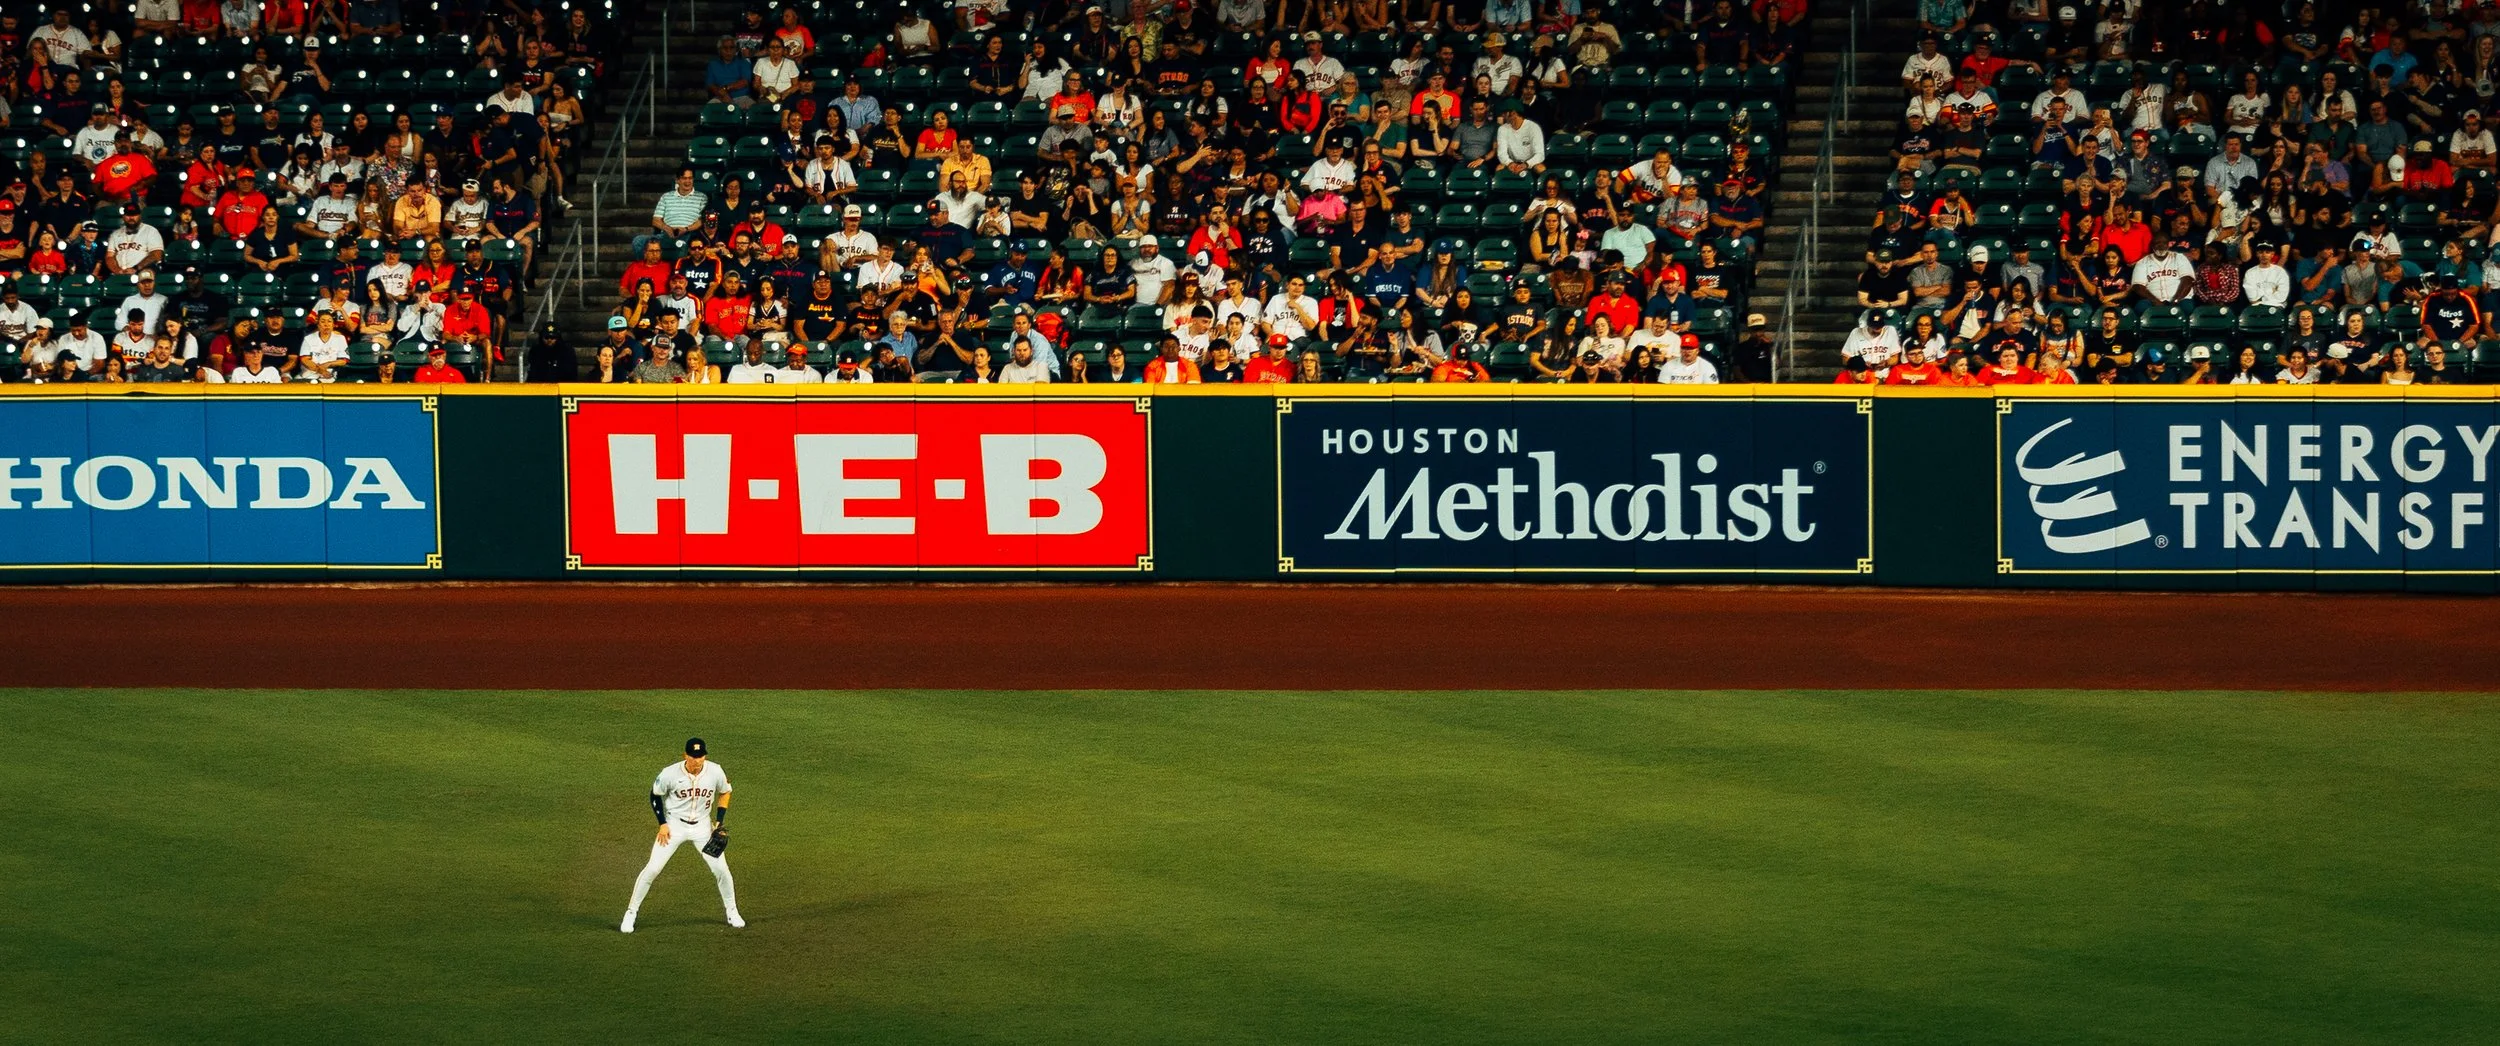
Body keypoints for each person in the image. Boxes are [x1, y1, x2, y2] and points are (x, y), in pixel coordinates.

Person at [620, 738, 742, 933]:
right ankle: (631, 912)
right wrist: (662, 825)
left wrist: (718, 821)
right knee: (652, 869)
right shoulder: (670, 773)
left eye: (701, 756)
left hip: (702, 827)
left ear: (705, 756)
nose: (697, 761)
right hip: (674, 826)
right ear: (685, 756)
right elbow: (655, 794)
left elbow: (725, 792)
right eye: (693, 757)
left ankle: (732, 911)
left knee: (721, 870)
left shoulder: (715, 771)